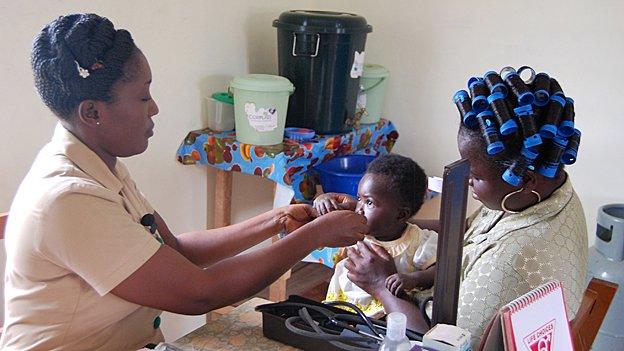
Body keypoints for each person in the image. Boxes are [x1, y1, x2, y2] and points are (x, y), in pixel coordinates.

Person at [1, 14, 368, 350]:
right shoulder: (69, 198)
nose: (154, 107)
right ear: (92, 112)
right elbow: (199, 295)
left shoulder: (98, 165)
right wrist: (314, 237)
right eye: (143, 96)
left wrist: (280, 220)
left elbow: (173, 250)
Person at [344, 68, 588, 348]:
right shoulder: (542, 194)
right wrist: (385, 220)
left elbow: (438, 346)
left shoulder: (510, 263)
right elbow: (467, 230)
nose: (467, 180)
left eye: (477, 176)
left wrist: (380, 285)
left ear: (524, 179)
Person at [314, 154, 438, 317]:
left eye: (369, 202)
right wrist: (322, 199)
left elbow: (438, 270)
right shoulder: (354, 228)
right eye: (360, 198)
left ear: (400, 215)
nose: (359, 208)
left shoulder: (418, 241)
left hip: (382, 316)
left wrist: (414, 278)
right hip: (342, 307)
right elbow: (328, 216)